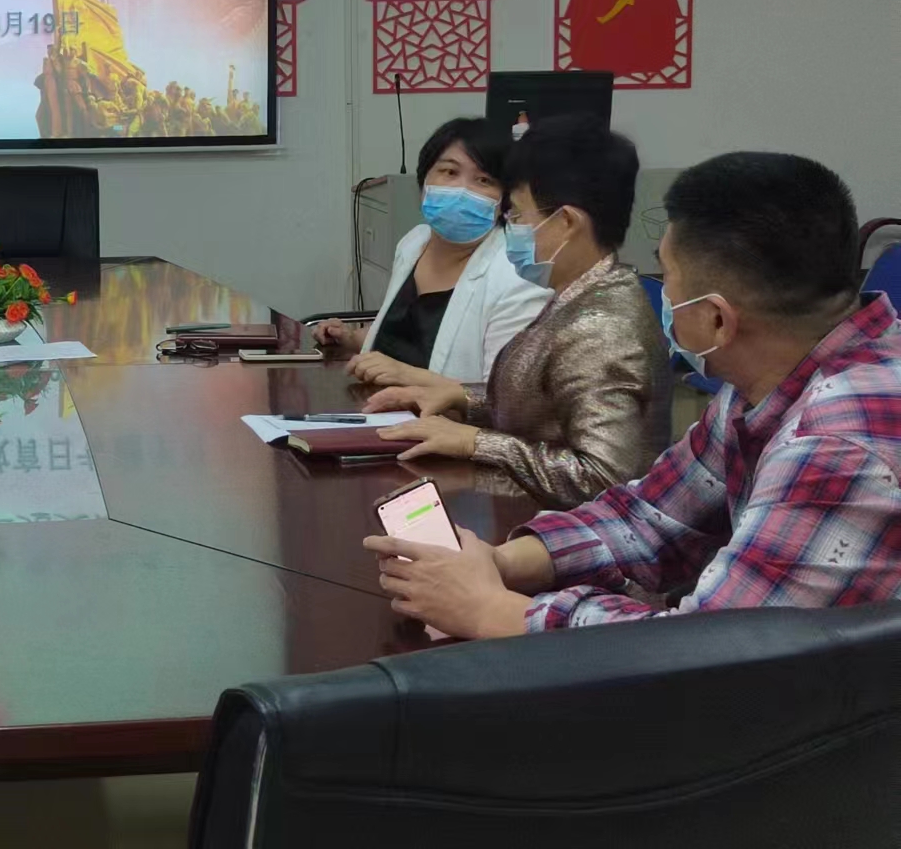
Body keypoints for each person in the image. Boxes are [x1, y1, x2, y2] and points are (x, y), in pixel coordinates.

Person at [364, 151, 901, 638]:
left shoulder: (835, 443)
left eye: (667, 275)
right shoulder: (769, 377)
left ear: (717, 319)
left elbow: (709, 652)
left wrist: (495, 612)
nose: (661, 291)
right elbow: (651, 517)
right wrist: (501, 563)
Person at [363, 116, 672, 508]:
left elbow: (603, 478)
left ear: (566, 223)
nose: (510, 229)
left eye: (518, 217)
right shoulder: (578, 294)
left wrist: (476, 442)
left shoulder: (603, 328)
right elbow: (543, 402)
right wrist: (463, 398)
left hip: (565, 531)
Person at [313, 118, 547, 385]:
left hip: (439, 413)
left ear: (506, 198)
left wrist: (407, 375)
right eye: (449, 172)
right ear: (424, 179)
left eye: (484, 180)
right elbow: (410, 334)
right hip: (376, 403)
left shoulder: (518, 275)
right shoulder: (414, 243)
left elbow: (507, 394)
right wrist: (352, 339)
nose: (461, 190)